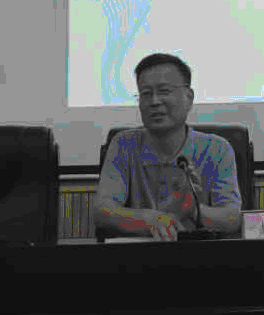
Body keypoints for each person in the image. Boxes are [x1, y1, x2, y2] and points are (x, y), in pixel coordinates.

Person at [94, 53, 242, 240]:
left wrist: (194, 210)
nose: (154, 101)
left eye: (164, 91)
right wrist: (147, 219)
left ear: (189, 97)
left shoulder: (217, 149)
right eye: (145, 94)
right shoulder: (123, 145)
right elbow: (102, 211)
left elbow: (232, 218)